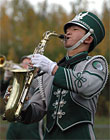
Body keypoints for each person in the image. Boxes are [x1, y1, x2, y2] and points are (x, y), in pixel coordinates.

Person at [21, 11, 108, 140]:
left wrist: (52, 68)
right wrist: (21, 104)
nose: (68, 32)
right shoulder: (49, 72)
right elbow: (35, 113)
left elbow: (86, 86)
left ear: (88, 38)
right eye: (67, 29)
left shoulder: (95, 64)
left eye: (74, 29)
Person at [0, 56, 44, 140]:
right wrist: (6, 79)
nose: (23, 66)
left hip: (31, 124)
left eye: (27, 64)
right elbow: (3, 94)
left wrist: (29, 75)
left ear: (36, 68)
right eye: (22, 64)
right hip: (14, 124)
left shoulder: (40, 80)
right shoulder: (17, 82)